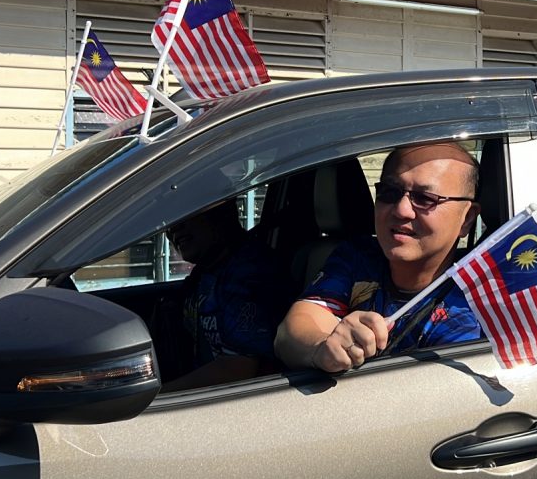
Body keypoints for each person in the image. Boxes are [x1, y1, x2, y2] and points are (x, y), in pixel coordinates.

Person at [275, 143, 483, 372]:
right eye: (389, 193)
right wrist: (323, 349)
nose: (401, 210)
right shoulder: (358, 257)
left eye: (425, 198)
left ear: (467, 219)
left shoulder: (477, 301)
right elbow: (292, 331)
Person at [160, 200, 290, 391]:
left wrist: (159, 396)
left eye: (186, 213)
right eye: (168, 220)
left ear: (220, 212)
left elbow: (238, 369)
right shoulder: (207, 271)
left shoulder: (251, 273)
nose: (174, 228)